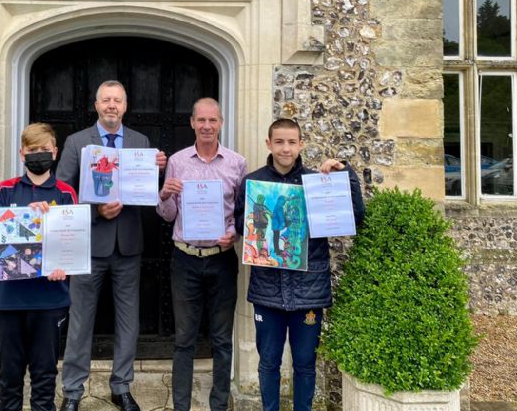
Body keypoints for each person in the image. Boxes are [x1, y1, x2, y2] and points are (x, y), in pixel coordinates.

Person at [234, 118, 365, 411]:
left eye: (292, 142)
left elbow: (354, 217)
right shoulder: (253, 183)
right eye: (279, 142)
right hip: (267, 289)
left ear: (301, 144)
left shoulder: (317, 183)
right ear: (268, 143)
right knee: (268, 362)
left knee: (305, 363)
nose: (285, 148)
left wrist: (346, 174)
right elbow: (242, 226)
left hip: (308, 290)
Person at [58, 80, 166, 411]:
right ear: (96, 105)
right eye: (105, 100)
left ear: (125, 105)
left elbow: (147, 192)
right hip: (89, 245)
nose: (111, 106)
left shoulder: (140, 141)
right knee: (80, 321)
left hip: (129, 245)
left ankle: (121, 387)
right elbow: (63, 194)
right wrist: (96, 210)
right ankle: (73, 392)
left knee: (127, 321)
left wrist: (158, 172)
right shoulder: (77, 142)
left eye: (117, 100)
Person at [156, 98, 247, 411]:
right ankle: (180, 405)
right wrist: (164, 195)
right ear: (192, 123)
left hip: (221, 258)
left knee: (222, 339)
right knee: (184, 339)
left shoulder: (237, 163)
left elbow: (243, 213)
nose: (207, 126)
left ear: (220, 123)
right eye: (201, 120)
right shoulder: (179, 161)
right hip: (185, 259)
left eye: (213, 120)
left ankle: (218, 404)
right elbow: (168, 215)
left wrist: (234, 233)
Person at [0, 123, 77, 411]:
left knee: (44, 378)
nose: (39, 155)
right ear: (22, 153)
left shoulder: (64, 193)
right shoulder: (7, 189)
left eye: (44, 150)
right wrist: (25, 218)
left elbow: (72, 242)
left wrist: (65, 267)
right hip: (9, 300)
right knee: (9, 378)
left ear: (55, 152)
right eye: (33, 150)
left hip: (49, 299)